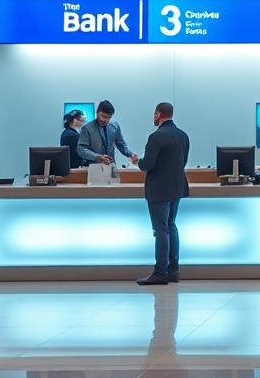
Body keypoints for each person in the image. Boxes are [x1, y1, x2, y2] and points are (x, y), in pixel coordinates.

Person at [135, 102, 190, 286]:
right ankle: (173, 271)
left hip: (159, 189)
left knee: (160, 230)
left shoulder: (156, 137)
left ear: (158, 114)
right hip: (177, 187)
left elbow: (148, 164)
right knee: (171, 226)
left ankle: (160, 273)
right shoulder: (183, 135)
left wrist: (137, 161)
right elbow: (183, 162)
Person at [77, 99, 139, 168]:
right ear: (97, 113)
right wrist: (97, 156)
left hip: (111, 166)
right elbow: (81, 150)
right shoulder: (86, 128)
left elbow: (121, 144)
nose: (106, 120)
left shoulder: (115, 126)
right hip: (93, 166)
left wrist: (130, 154)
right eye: (103, 116)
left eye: (109, 117)